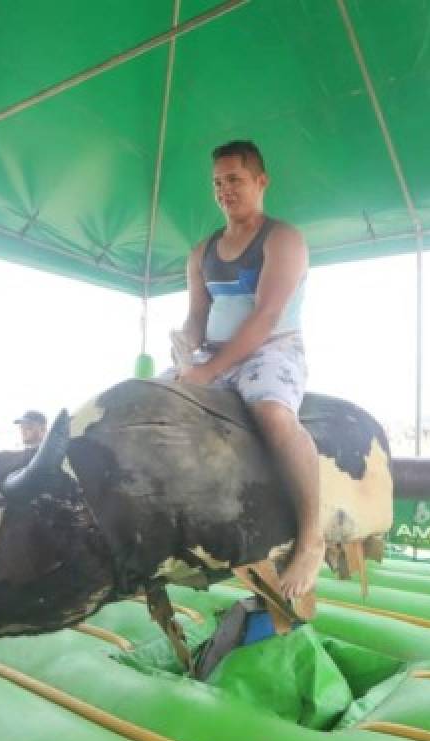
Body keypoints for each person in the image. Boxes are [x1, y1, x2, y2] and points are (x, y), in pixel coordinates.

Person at [172, 140, 320, 600]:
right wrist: (186, 347)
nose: (224, 190)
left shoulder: (283, 240)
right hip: (211, 355)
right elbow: (198, 316)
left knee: (273, 414)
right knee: (148, 403)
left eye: (234, 179)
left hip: (272, 351)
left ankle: (311, 536)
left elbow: (266, 316)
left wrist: (209, 369)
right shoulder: (201, 252)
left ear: (261, 181)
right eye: (217, 182)